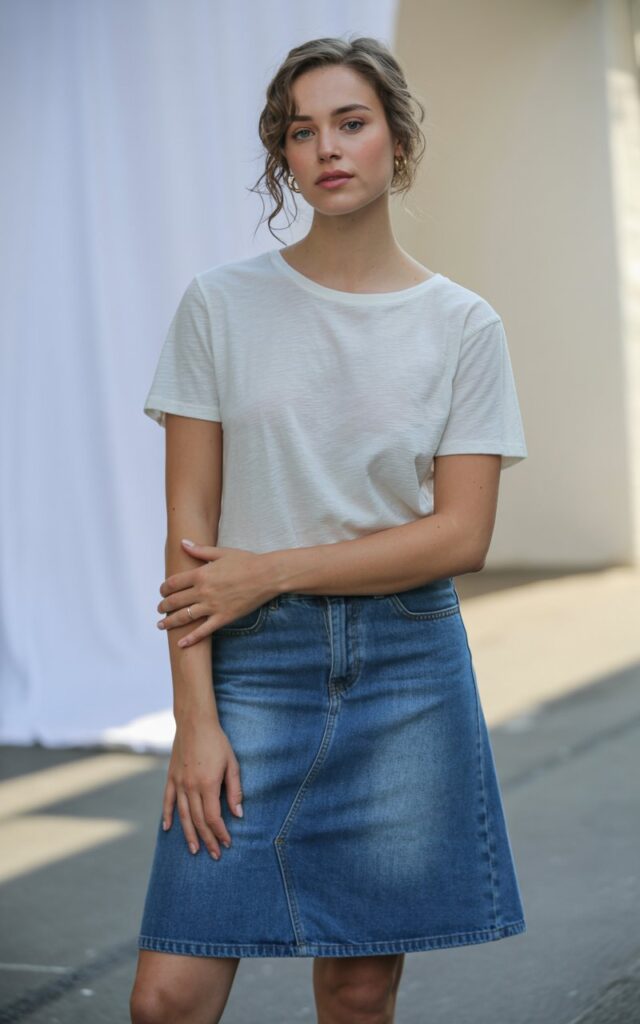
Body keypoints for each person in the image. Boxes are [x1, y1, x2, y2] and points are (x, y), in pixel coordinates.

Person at [130, 34, 528, 1024]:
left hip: (406, 664)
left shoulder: (463, 324)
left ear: (395, 139)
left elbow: (460, 536)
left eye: (349, 122)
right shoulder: (219, 307)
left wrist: (269, 571)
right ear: (282, 158)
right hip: (251, 672)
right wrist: (195, 719)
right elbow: (189, 535)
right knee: (167, 996)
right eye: (299, 132)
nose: (326, 148)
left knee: (358, 988)